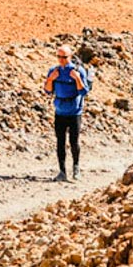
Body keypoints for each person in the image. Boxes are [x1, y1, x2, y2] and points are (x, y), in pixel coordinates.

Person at [43, 45, 88, 181]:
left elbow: (84, 91)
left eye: (64, 57)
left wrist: (77, 79)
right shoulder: (53, 70)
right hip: (60, 112)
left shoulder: (78, 70)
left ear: (70, 56)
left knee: (74, 141)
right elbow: (47, 90)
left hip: (75, 112)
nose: (62, 60)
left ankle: (76, 168)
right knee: (60, 142)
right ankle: (62, 171)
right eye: (59, 57)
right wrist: (51, 79)